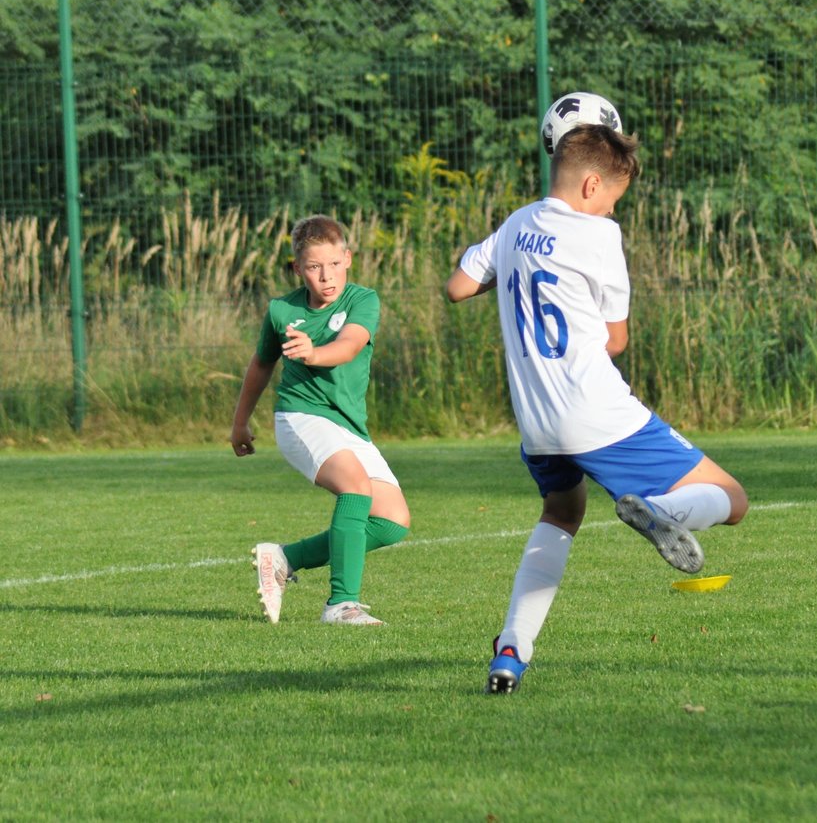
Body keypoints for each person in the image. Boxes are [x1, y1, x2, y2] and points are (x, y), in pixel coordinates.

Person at [446, 124, 748, 693]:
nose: (612, 210)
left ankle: (511, 649)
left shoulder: (515, 224)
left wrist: (518, 265)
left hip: (537, 422)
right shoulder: (599, 234)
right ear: (591, 185)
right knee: (732, 498)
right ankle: (663, 511)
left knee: (562, 513)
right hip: (595, 411)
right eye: (612, 198)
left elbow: (458, 286)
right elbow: (616, 340)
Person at [230, 214, 411, 626]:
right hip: (300, 416)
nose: (326, 276)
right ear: (298, 268)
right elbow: (261, 364)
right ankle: (341, 605)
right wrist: (240, 422)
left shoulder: (363, 300)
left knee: (392, 522)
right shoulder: (282, 311)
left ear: (348, 258)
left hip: (347, 425)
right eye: (314, 267)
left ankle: (284, 557)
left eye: (333, 264)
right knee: (355, 487)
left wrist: (314, 353)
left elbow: (349, 345)